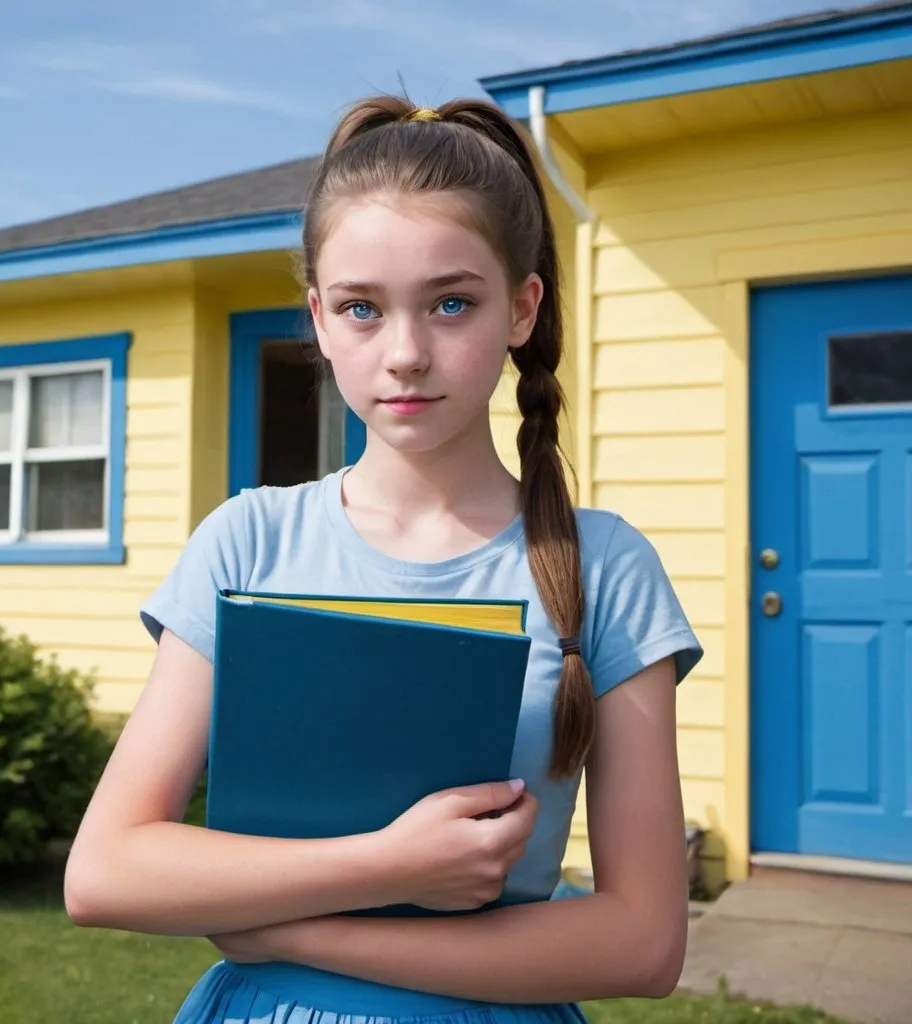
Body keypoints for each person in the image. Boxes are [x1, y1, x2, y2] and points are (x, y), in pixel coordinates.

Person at [63, 96, 704, 1024]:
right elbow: (104, 872)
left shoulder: (604, 568)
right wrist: (388, 865)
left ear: (523, 307)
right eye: (363, 308)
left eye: (452, 303)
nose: (405, 353)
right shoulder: (248, 542)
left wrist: (294, 927)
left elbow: (645, 943)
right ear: (319, 318)